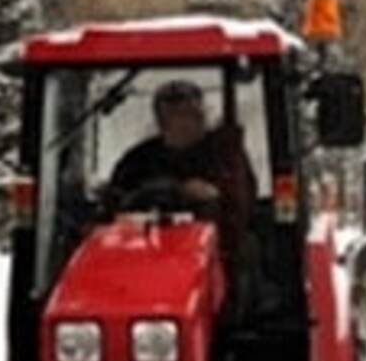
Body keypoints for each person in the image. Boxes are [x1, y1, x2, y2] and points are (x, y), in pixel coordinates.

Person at [107, 78, 259, 312]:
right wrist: (171, 191)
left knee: (249, 250)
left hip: (212, 251)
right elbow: (114, 203)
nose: (192, 121)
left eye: (195, 113)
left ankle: (235, 316)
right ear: (161, 121)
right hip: (145, 253)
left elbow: (242, 202)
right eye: (180, 115)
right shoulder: (137, 161)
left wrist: (211, 196)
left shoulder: (223, 156)